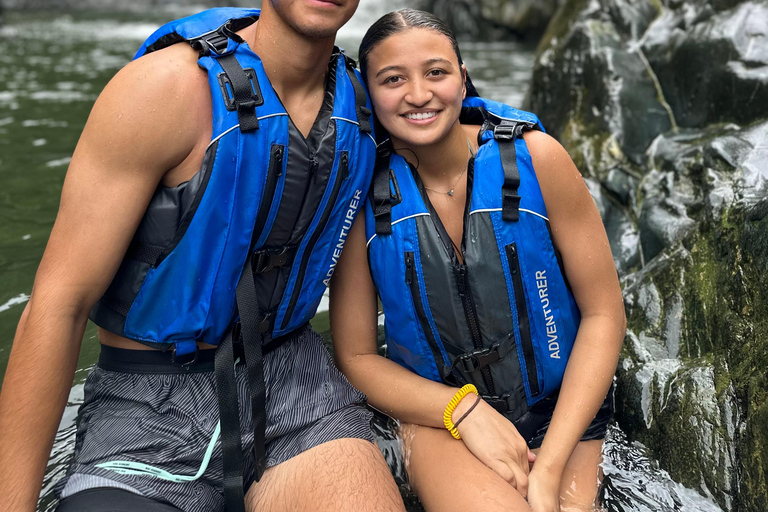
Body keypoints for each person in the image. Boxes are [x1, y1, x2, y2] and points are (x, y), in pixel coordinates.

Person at [0, 3, 407, 512]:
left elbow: (461, 145)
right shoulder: (162, 90)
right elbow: (59, 303)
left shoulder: (369, 103)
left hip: (296, 386)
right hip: (147, 400)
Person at [329, 9, 626, 512]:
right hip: (438, 418)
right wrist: (460, 409)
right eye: (393, 79)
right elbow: (356, 358)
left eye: (436, 72)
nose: (418, 94)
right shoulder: (359, 199)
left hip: (562, 409)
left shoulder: (538, 158)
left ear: (463, 79)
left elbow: (604, 313)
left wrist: (549, 468)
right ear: (368, 95)